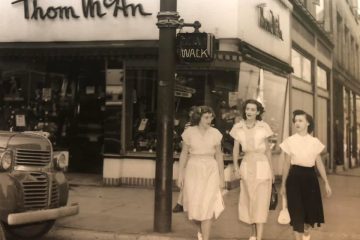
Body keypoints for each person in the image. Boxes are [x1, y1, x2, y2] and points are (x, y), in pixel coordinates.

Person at [279, 110, 332, 240]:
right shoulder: (289, 141)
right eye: (295, 121)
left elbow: (319, 163)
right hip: (294, 178)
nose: (297, 123)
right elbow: (286, 164)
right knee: (296, 213)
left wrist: (326, 182)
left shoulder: (314, 142)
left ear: (308, 123)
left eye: (300, 120)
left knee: (309, 215)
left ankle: (306, 235)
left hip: (310, 179)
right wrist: (283, 184)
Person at [177, 105, 225, 240]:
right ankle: (200, 230)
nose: (209, 120)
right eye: (206, 117)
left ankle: (206, 237)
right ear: (199, 118)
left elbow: (219, 156)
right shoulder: (189, 132)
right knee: (194, 205)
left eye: (211, 117)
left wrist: (222, 178)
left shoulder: (216, 133)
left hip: (211, 169)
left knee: (208, 205)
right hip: (193, 169)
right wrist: (180, 175)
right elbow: (184, 154)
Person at [230, 99, 274, 240]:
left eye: (253, 109)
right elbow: (236, 149)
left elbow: (268, 151)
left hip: (262, 165)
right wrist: (236, 167)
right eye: (247, 109)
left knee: (260, 201)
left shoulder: (263, 127)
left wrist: (272, 171)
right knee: (249, 200)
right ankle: (253, 233)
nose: (249, 112)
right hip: (247, 164)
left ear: (258, 112)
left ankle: (258, 237)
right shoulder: (238, 127)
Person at [173, 106, 197, 213]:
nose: (192, 115)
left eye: (194, 113)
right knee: (187, 180)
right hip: (190, 155)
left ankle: (181, 203)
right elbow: (186, 139)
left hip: (197, 156)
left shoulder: (202, 126)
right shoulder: (188, 125)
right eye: (191, 112)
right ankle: (180, 203)